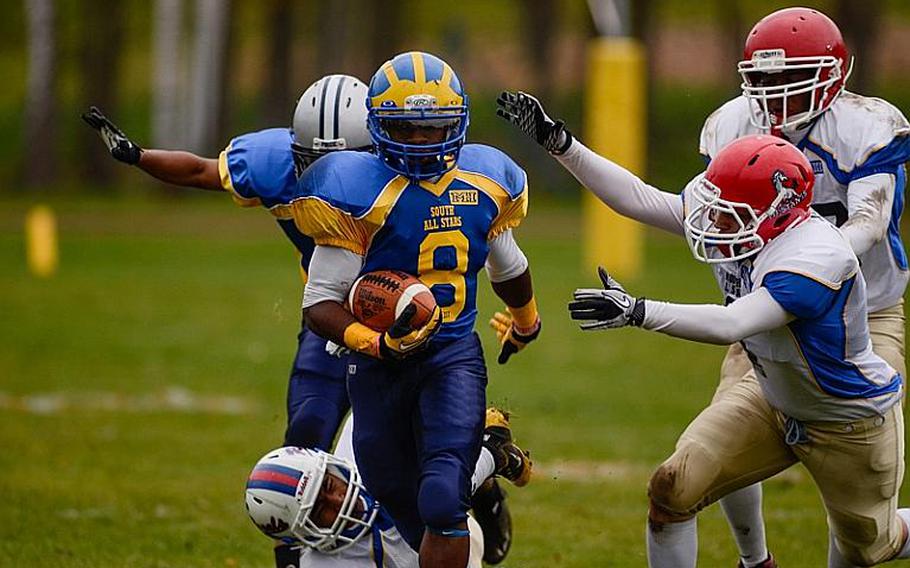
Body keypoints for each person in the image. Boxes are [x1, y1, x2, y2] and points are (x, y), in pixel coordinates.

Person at [81, 73, 522, 567]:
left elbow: (473, 242)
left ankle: (476, 475)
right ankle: (297, 551)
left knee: (428, 450)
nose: (326, 173)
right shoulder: (276, 164)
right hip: (334, 314)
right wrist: (138, 157)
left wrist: (516, 309)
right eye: (312, 161)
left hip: (412, 322)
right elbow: (202, 172)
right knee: (307, 431)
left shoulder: (416, 179)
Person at [498, 90, 910, 566]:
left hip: (845, 418)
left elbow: (732, 322)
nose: (712, 219)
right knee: (672, 489)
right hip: (769, 395)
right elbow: (639, 199)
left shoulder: (815, 256)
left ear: (777, 214)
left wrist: (638, 311)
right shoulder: (749, 216)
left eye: (727, 210)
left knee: (871, 548)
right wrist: (560, 143)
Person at [298, 51, 539, 568]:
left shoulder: (485, 180)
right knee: (393, 490)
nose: (424, 141)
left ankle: (467, 487)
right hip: (378, 366)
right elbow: (319, 303)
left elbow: (509, 265)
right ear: (379, 128)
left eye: (435, 128)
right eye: (407, 130)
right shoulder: (354, 190)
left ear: (459, 124)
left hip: (451, 355)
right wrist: (376, 341)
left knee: (441, 501)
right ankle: (488, 461)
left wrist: (526, 322)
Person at [698, 8, 910, 567]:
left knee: (865, 532)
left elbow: (867, 221)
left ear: (833, 74)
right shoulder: (730, 123)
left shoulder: (867, 126)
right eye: (762, 79)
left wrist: (811, 267)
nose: (774, 93)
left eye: (789, 76)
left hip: (868, 308)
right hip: (761, 307)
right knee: (717, 447)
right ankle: (754, 560)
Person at [245, 407, 528, 567]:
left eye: (329, 484)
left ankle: (484, 488)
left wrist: (475, 441)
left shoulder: (367, 438)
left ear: (330, 465)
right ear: (303, 534)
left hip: (435, 515)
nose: (339, 498)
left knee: (449, 512)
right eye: (320, 510)